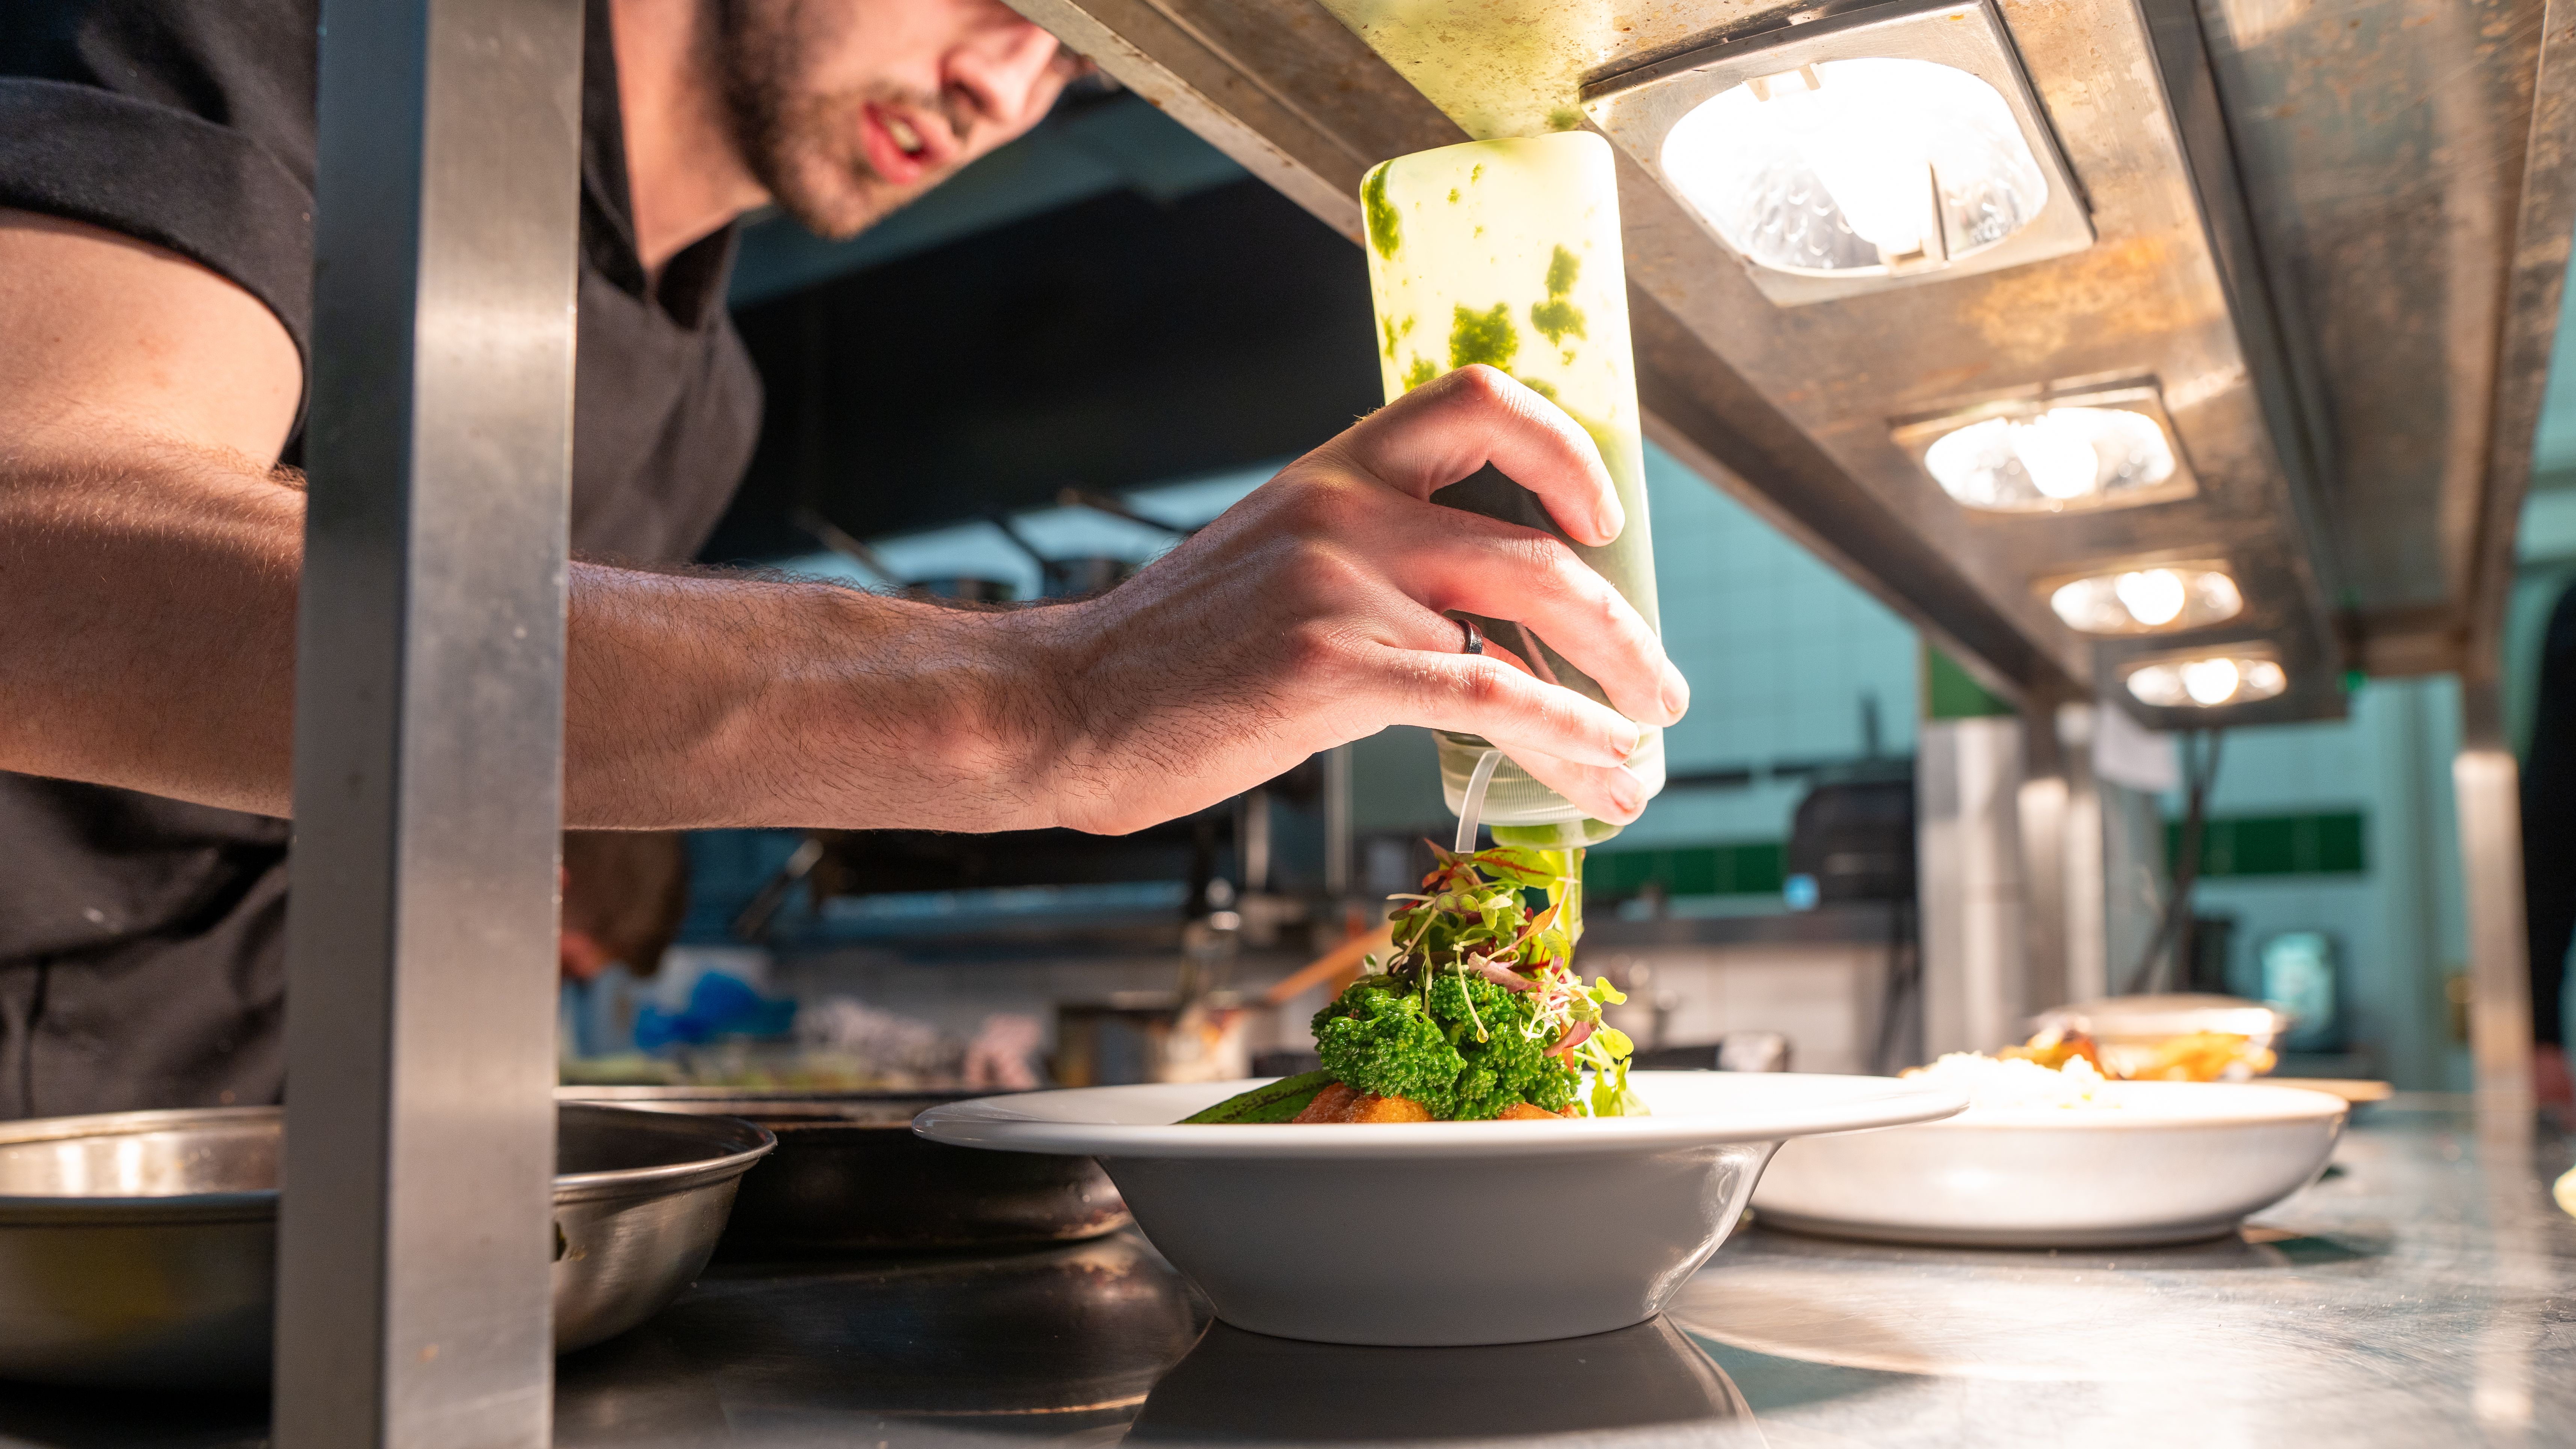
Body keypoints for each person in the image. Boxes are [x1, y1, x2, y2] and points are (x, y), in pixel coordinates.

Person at [0, 0, 1686, 1119]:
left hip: (253, 1223)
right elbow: (28, 552)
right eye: (1002, 1)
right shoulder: (288, 44)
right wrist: (1053, 696)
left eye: (1070, 59)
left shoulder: (702, 397)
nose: (1003, 86)